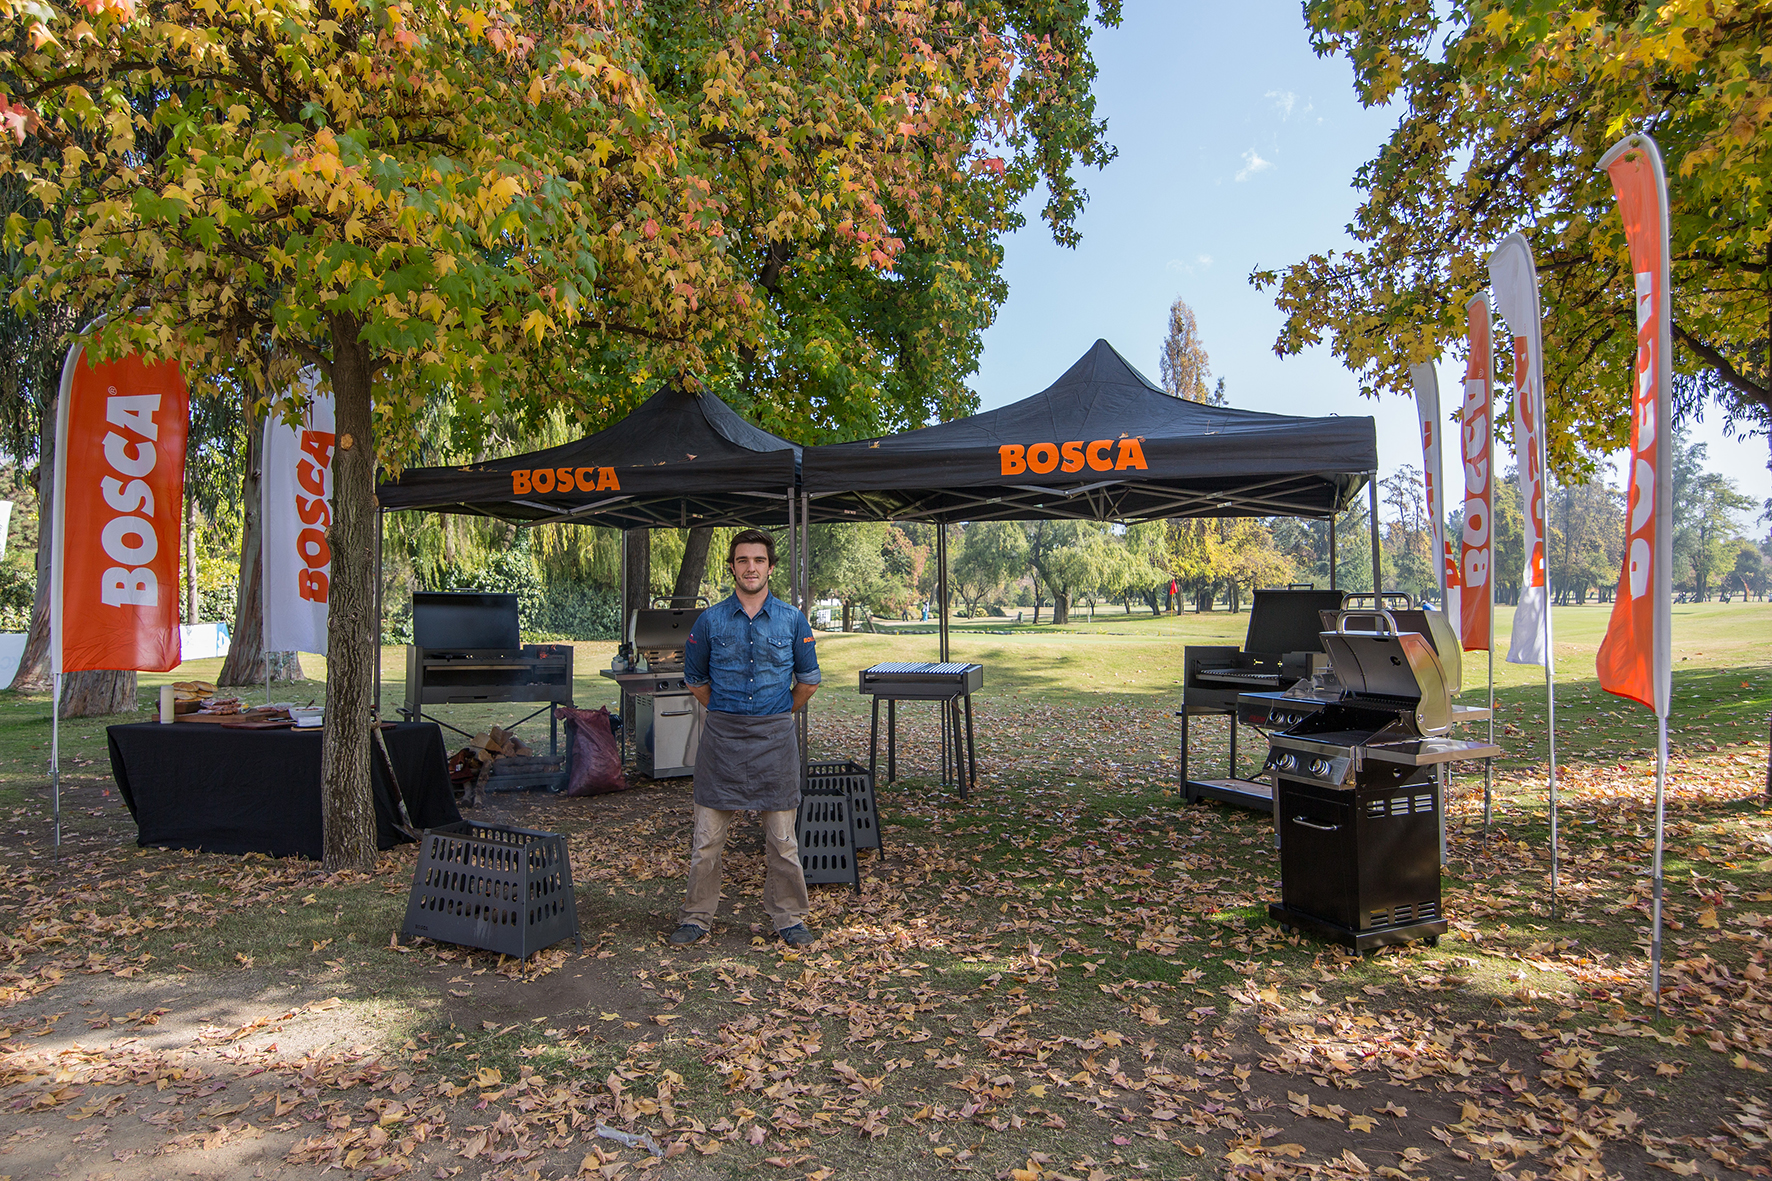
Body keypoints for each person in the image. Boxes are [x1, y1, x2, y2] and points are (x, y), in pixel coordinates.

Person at [669, 529, 821, 947]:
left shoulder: (792, 619)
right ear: (733, 567)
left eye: (758, 560)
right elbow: (695, 679)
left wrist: (778, 712)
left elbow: (808, 680)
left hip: (776, 741)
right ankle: (696, 918)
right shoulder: (710, 620)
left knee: (783, 842)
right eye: (742, 560)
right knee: (706, 841)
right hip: (722, 741)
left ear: (770, 567)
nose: (750, 567)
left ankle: (790, 919)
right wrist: (726, 710)